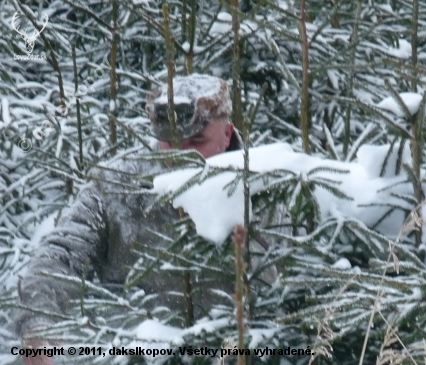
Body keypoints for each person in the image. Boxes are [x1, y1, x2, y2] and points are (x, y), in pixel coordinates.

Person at [15, 74, 275, 365]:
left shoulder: (273, 188)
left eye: (197, 140)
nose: (181, 154)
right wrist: (37, 324)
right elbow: (60, 255)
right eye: (170, 142)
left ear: (227, 133)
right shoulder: (116, 184)